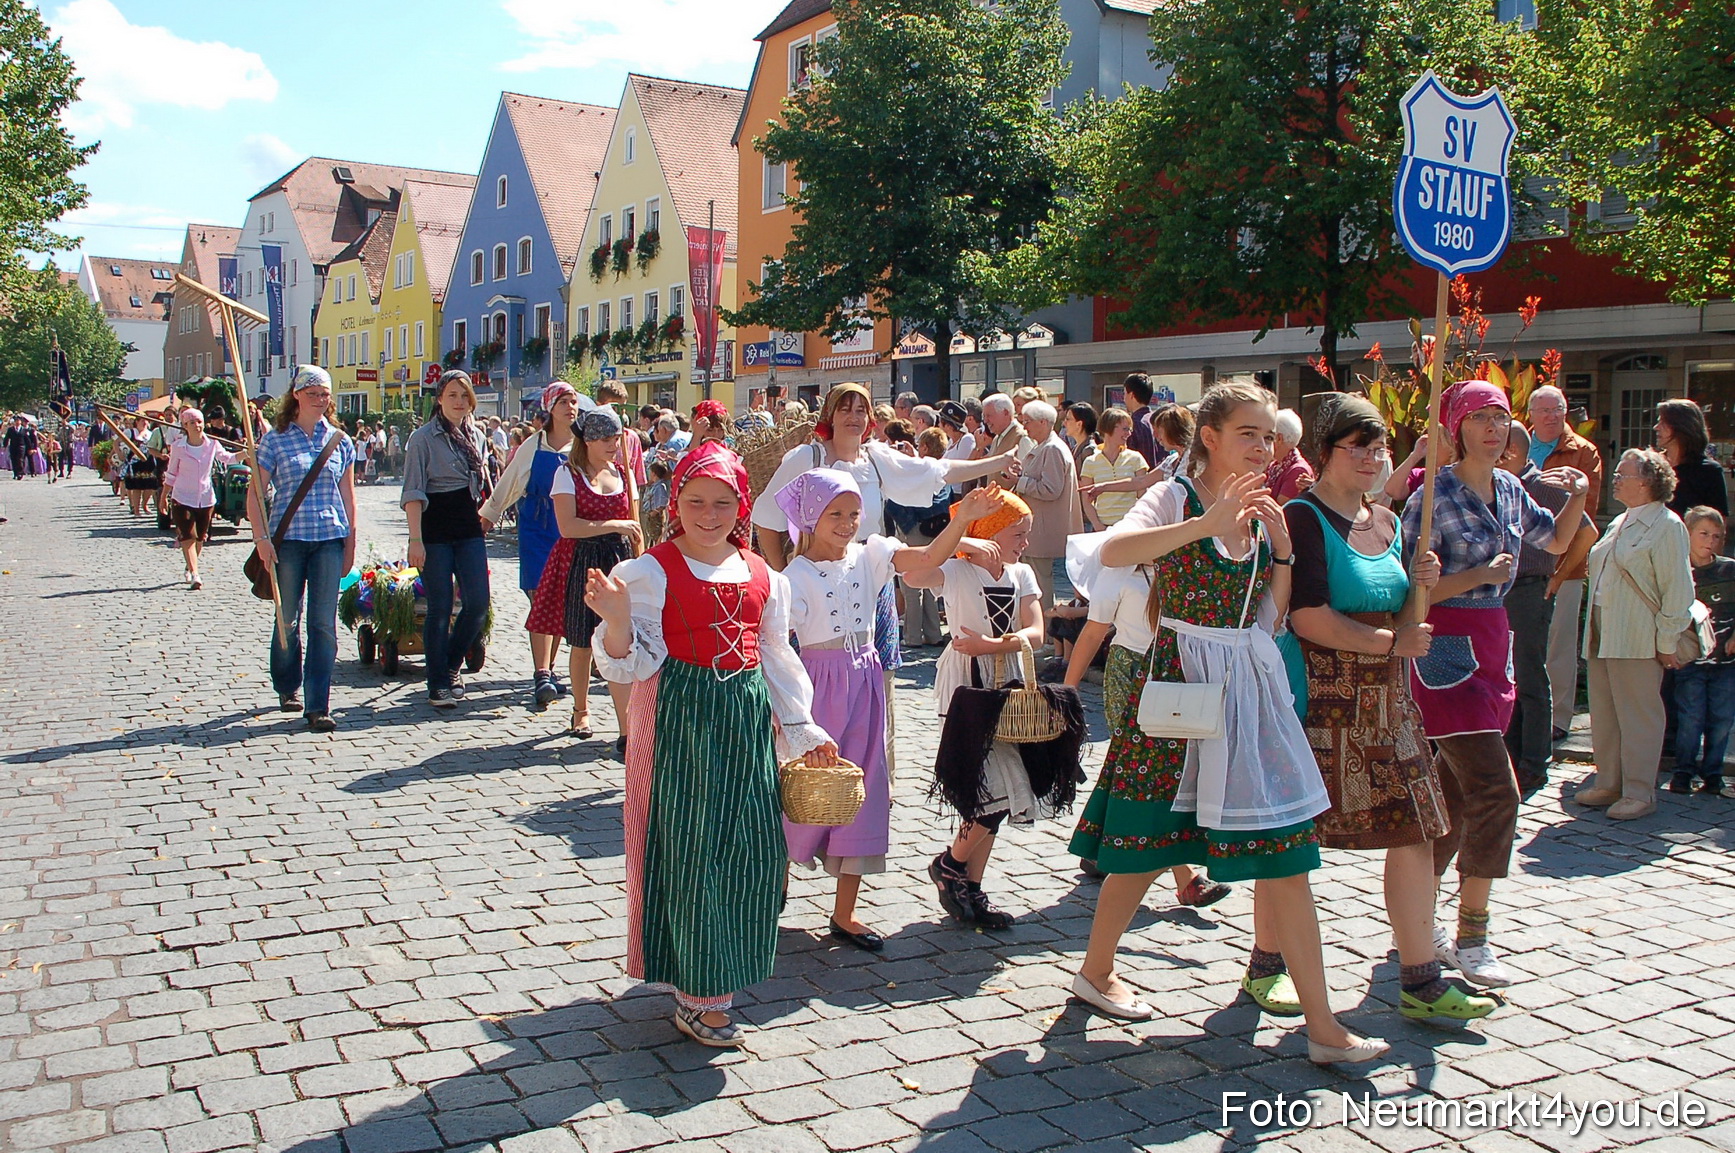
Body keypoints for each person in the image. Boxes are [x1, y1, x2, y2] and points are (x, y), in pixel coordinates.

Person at [1073, 381, 1387, 1067]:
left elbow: (1264, 616)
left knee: (1287, 853)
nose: (1263, 446)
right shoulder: (1175, 494)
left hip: (1245, 691)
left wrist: (1278, 556)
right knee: (1146, 844)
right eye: (1249, 432)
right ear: (1208, 436)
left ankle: (1322, 1026)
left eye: (1268, 435)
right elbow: (1112, 553)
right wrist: (1206, 524)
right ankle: (1095, 970)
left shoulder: (1262, 506)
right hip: (1180, 687)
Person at [586, 441, 837, 1048]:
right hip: (680, 718)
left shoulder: (763, 575)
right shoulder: (647, 571)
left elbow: (776, 656)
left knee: (751, 848)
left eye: (722, 502)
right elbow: (623, 666)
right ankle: (699, 992)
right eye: (696, 500)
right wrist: (617, 619)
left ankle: (718, 973)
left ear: (741, 505)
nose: (708, 513)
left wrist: (802, 728)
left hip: (745, 718)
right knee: (691, 848)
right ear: (676, 503)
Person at [1284, 394, 1494, 1023]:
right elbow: (1306, 615)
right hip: (1323, 705)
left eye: (1379, 448)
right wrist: (1387, 640)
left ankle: (1419, 979)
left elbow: (1409, 618)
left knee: (1416, 831)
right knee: (1293, 843)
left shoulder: (1391, 520)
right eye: (1359, 448)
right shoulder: (1302, 516)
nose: (1374, 459)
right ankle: (1268, 961)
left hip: (1391, 705)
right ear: (1326, 453)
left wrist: (1423, 587)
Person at [1403, 381, 1588, 985]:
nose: (1492, 427)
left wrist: (1579, 496)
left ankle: (1419, 915)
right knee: (1496, 789)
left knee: (1457, 796)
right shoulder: (1432, 497)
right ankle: (1472, 931)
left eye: (1501, 417)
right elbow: (1411, 592)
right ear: (1457, 426)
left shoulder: (1510, 489)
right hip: (1445, 642)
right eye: (1480, 416)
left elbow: (1556, 541)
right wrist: (1476, 573)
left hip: (1493, 642)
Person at [774, 472, 1001, 950]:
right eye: (834, 513)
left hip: (864, 678)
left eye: (853, 512)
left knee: (864, 788)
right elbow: (775, 645)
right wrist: (785, 710)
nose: (846, 522)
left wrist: (964, 522)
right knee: (798, 787)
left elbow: (926, 557)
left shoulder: (870, 552)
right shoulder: (791, 578)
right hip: (816, 682)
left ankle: (845, 912)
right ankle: (772, 888)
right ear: (810, 517)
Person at [904, 489, 1083, 929]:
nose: (1025, 541)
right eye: (1017, 532)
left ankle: (965, 878)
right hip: (966, 683)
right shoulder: (956, 570)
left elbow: (1037, 632)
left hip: (1008, 681)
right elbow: (914, 569)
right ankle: (953, 868)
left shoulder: (1020, 574)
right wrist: (962, 537)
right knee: (991, 787)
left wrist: (993, 644)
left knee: (996, 791)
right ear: (991, 533)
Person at [1062, 562, 1232, 909]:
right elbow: (1093, 632)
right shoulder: (1120, 572)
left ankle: (1100, 848)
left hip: (1175, 673)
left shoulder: (1188, 565)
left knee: (1154, 776)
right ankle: (1187, 880)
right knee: (1143, 777)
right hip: (1131, 673)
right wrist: (1067, 689)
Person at [1575, 448, 1694, 819]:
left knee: (1639, 715)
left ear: (1646, 482)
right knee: (1606, 713)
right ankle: (1610, 782)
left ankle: (1641, 791)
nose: (1615, 480)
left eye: (1622, 475)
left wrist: (1666, 642)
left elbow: (1678, 590)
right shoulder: (1620, 521)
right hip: (1603, 632)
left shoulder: (1667, 525)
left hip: (1638, 636)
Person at [247, 366, 357, 732]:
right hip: (288, 542)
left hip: (328, 539)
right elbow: (256, 494)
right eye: (312, 391)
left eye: (324, 392)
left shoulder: (340, 441)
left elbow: (347, 496)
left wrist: (351, 542)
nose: (319, 398)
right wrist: (261, 538)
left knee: (323, 625)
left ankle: (318, 704)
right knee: (287, 620)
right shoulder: (275, 440)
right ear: (295, 394)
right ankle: (286, 683)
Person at [527, 407, 641, 742]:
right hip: (583, 560)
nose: (613, 445)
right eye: (606, 439)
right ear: (588, 440)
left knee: (625, 640)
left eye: (616, 438)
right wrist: (615, 525)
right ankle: (581, 709)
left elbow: (636, 526)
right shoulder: (568, 473)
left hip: (619, 560)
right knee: (582, 639)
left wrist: (640, 556)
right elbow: (568, 526)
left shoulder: (623, 473)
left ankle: (626, 722)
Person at [1497, 424, 1598, 795]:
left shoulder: (1541, 486)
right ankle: (1513, 754)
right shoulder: (1496, 484)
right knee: (1508, 677)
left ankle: (1535, 763)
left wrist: (1556, 578)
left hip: (1528, 589)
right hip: (1500, 591)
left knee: (1530, 678)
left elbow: (1586, 532)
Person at [480, 382, 582, 709]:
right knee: (540, 598)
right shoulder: (532, 446)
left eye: (574, 402)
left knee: (561, 602)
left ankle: (549, 672)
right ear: (550, 408)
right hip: (537, 526)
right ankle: (542, 673)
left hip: (569, 529)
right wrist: (487, 517)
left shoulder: (582, 446)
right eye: (564, 402)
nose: (571, 408)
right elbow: (509, 483)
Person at [402, 371, 494, 709]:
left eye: (464, 396)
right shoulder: (423, 438)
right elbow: (413, 490)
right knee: (440, 608)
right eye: (452, 395)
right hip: (435, 528)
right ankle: (437, 682)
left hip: (469, 528)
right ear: (440, 399)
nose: (459, 402)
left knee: (477, 605)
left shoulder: (477, 435)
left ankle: (452, 665)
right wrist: (416, 539)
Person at [1525, 386, 1605, 742]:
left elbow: (1586, 517)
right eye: (1543, 410)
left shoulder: (1583, 453)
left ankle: (1559, 718)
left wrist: (1557, 569)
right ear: (1530, 414)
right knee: (1525, 645)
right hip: (1521, 564)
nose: (1551, 416)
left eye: (1557, 409)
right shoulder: (1516, 446)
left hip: (1565, 565)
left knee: (1559, 643)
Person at [1673, 507, 1735, 795]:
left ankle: (1713, 773)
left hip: (1726, 661)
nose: (1710, 541)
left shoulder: (1729, 569)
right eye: (1703, 534)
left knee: (1722, 719)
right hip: (1691, 661)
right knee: (1690, 718)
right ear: (1687, 533)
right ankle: (1683, 771)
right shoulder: (1678, 571)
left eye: (1716, 536)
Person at [1011, 401, 1080, 616]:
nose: (1025, 427)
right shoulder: (1046, 446)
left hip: (1042, 530)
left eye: (1028, 422)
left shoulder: (1051, 448)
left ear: (1043, 422)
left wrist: (1021, 482)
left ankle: (1046, 633)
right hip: (1039, 527)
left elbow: (1051, 489)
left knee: (1040, 584)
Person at [163, 408, 239, 590]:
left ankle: (190, 566)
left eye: (199, 422)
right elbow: (172, 473)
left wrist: (248, 452)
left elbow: (228, 458)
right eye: (191, 423)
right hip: (182, 497)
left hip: (205, 498)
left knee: (200, 538)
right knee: (188, 535)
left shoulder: (212, 444)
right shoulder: (178, 447)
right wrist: (164, 496)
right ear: (185, 426)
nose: (196, 426)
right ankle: (195, 574)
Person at [1656, 399, 1727, 518]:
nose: (1656, 427)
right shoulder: (1654, 466)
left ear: (1682, 427)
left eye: (1663, 423)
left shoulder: (1708, 471)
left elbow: (1717, 524)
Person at [1079, 408, 1149, 531]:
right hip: (1102, 527)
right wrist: (1097, 524)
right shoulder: (1090, 462)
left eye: (1129, 429)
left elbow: (1142, 495)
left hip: (1130, 526)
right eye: (1125, 429)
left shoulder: (1136, 458)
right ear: (1108, 428)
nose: (1129, 433)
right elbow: (1086, 500)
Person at [1264, 408, 1314, 502]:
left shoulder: (1298, 470)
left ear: (1279, 439)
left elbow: (1281, 508)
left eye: (1268, 437)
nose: (1263, 442)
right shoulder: (1275, 465)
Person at [1123, 372, 1160, 469]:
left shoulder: (1133, 424)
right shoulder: (1159, 421)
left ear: (1131, 395)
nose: (1124, 398)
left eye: (1125, 393)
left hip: (1141, 479)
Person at [1064, 402, 1099, 478]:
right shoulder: (1076, 447)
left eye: (1068, 419)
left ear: (1079, 424)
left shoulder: (1089, 450)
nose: (1064, 423)